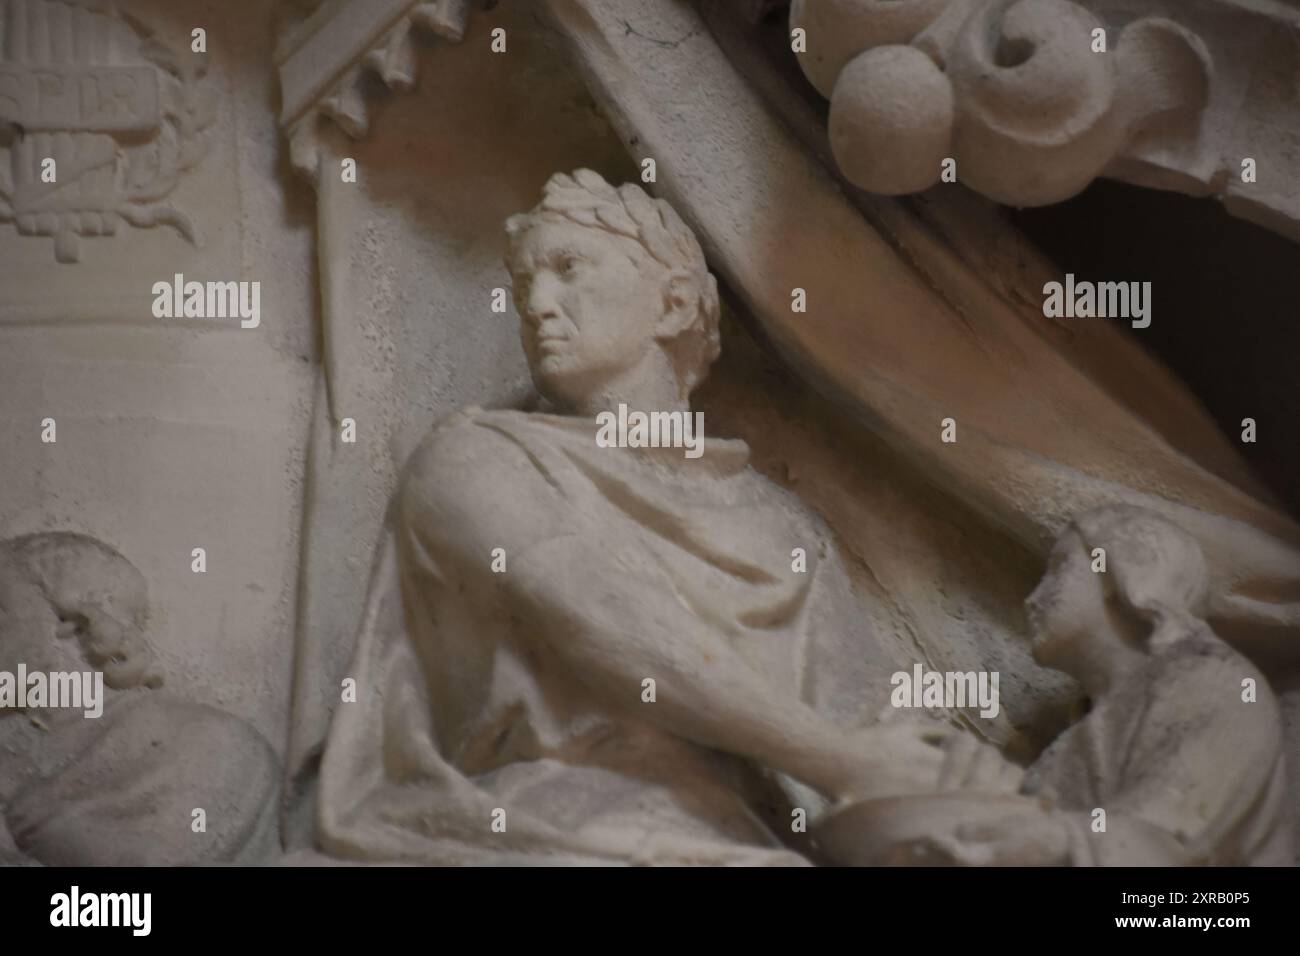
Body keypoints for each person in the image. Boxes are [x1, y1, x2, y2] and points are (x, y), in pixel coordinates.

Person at [317, 170, 980, 865]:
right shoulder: (476, 457)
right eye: (522, 287)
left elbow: (871, 720)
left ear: (671, 305)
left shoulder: (780, 527)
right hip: (548, 818)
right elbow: (604, 619)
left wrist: (962, 784)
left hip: (743, 838)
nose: (537, 304)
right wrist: (837, 759)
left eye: (567, 268)